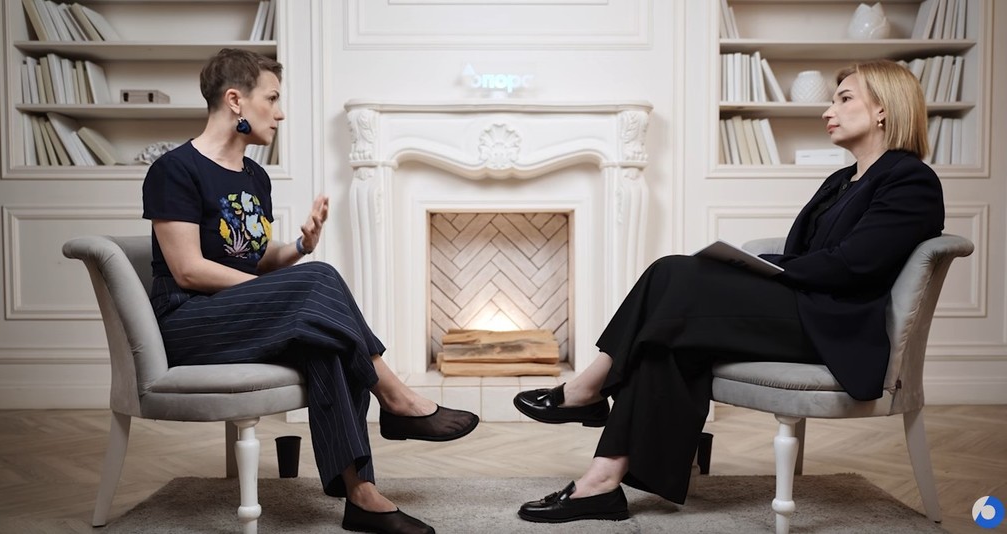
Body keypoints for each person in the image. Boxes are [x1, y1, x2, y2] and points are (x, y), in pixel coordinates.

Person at [513, 59, 945, 523]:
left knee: (672, 272)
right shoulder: (840, 182)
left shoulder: (910, 180)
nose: (827, 111)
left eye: (843, 99)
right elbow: (809, 255)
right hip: (803, 310)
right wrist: (760, 268)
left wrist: (768, 269)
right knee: (665, 338)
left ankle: (589, 387)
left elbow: (851, 265)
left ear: (883, 110)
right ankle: (601, 480)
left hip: (833, 327)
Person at [142, 48, 478, 534]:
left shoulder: (255, 177)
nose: (279, 113)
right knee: (317, 280)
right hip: (189, 322)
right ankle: (396, 398)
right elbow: (189, 270)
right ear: (235, 100)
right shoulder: (176, 169)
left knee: (326, 341)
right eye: (272, 98)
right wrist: (283, 291)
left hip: (244, 317)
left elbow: (255, 259)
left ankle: (362, 498)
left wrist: (300, 247)